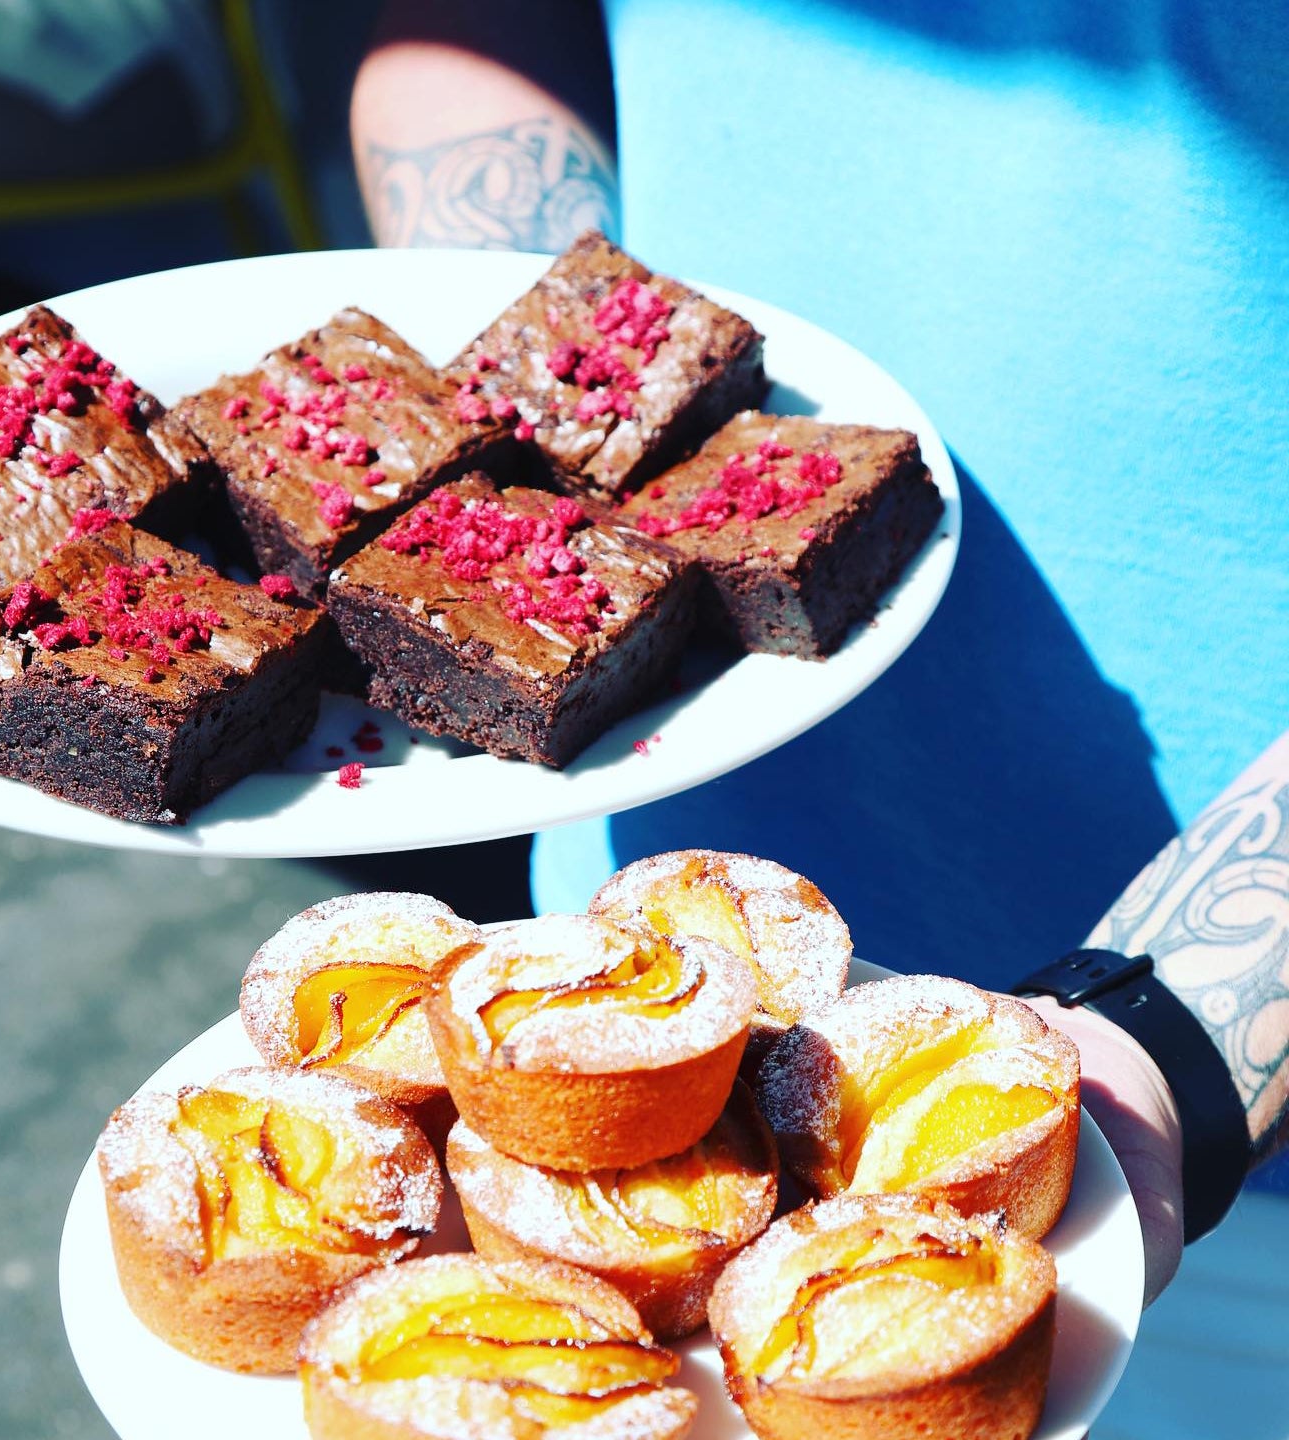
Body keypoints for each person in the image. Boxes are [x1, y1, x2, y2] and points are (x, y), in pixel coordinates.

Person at [349, 0, 1289, 1306]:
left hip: (1207, 1128)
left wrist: (1168, 1039)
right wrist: (549, 412)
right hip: (613, 1010)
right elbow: (481, 35)